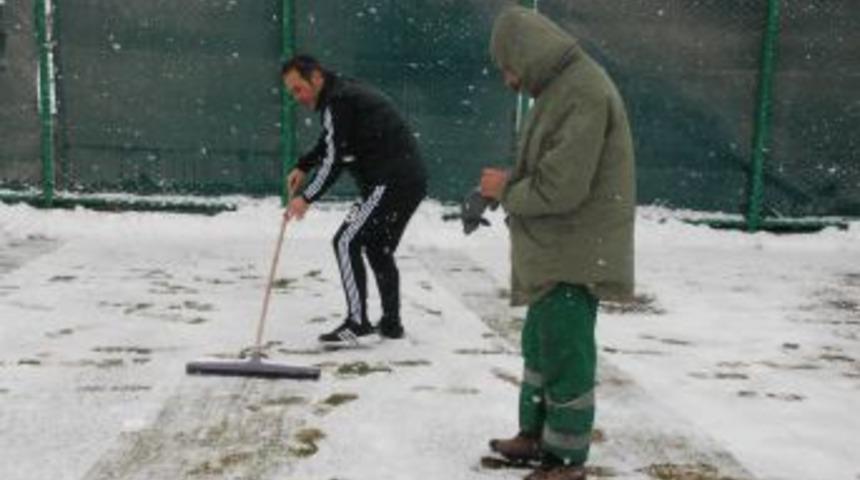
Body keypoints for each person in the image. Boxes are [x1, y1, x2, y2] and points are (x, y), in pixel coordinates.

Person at [480, 7, 636, 480]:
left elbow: (561, 188)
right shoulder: (562, 87)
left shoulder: (582, 91)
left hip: (573, 254)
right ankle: (535, 435)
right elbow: (554, 170)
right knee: (540, 347)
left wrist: (504, 190)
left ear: (527, 55)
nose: (508, 80)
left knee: (566, 353)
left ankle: (566, 459)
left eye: (509, 67)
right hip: (556, 251)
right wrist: (510, 183)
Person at [282, 55, 427, 346]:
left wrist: (307, 197)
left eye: (299, 89)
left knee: (346, 241)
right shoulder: (342, 95)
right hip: (406, 180)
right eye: (292, 92)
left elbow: (336, 157)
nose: (297, 97)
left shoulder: (339, 100)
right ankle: (391, 323)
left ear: (317, 78)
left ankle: (357, 322)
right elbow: (331, 140)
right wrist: (304, 164)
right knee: (377, 247)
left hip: (391, 181)